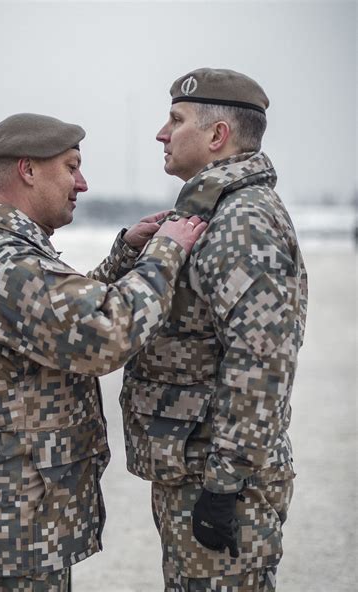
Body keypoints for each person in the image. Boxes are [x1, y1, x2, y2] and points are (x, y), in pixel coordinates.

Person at [0, 112, 206, 591]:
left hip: (16, 509)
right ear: (28, 170)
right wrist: (166, 253)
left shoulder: (6, 251)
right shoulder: (7, 260)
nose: (82, 183)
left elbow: (58, 323)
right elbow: (102, 335)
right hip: (11, 516)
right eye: (71, 166)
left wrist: (126, 257)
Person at [120, 68, 308, 591]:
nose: (161, 133)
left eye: (175, 120)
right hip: (196, 466)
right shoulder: (214, 211)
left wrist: (224, 486)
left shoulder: (241, 221)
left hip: (218, 477)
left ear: (217, 136)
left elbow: (261, 361)